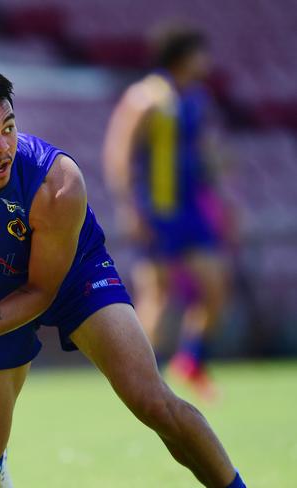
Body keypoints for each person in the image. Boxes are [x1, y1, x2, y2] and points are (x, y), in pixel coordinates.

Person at [0, 67, 245, 487]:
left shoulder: (57, 182)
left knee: (151, 401)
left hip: (74, 276)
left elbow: (42, 290)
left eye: (9, 128)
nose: (3, 146)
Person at [102, 25, 232, 400]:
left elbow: (205, 152)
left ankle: (190, 361)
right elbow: (120, 154)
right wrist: (130, 208)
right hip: (157, 211)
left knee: (216, 288)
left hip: (191, 210)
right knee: (156, 294)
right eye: (199, 53)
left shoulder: (195, 98)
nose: (205, 62)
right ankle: (137, 377)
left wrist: (223, 197)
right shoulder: (145, 99)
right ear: (181, 55)